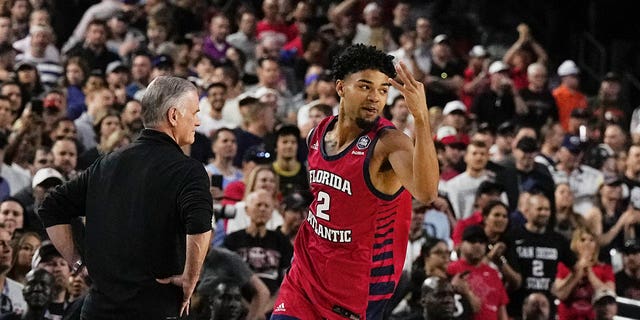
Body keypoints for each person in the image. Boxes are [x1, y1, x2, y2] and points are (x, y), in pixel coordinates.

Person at [271, 44, 439, 320]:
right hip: (304, 277)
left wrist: (421, 119)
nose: (375, 97)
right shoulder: (317, 134)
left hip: (357, 290)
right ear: (340, 87)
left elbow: (427, 192)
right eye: (365, 87)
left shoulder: (389, 142)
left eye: (383, 90)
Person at [37, 76, 213, 319]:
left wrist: (77, 262)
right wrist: (190, 279)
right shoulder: (189, 171)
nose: (198, 121)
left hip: (98, 309)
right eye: (194, 112)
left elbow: (51, 206)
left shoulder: (106, 164)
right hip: (155, 308)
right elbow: (200, 226)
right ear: (174, 116)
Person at [554, 228, 615, 320]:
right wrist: (577, 271)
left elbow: (608, 296)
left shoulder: (605, 268)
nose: (587, 243)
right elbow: (561, 294)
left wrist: (590, 272)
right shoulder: (563, 266)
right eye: (582, 240)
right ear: (575, 244)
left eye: (591, 240)